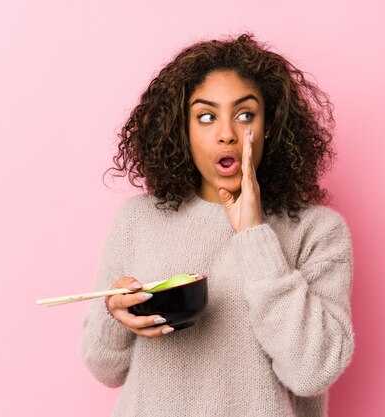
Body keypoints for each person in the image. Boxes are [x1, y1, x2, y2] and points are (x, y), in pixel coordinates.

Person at [81, 33, 354, 417]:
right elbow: (104, 369)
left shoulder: (318, 231)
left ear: (269, 125)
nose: (226, 132)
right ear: (184, 130)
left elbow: (312, 372)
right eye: (206, 116)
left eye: (245, 114)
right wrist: (115, 313)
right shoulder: (137, 220)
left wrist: (254, 234)